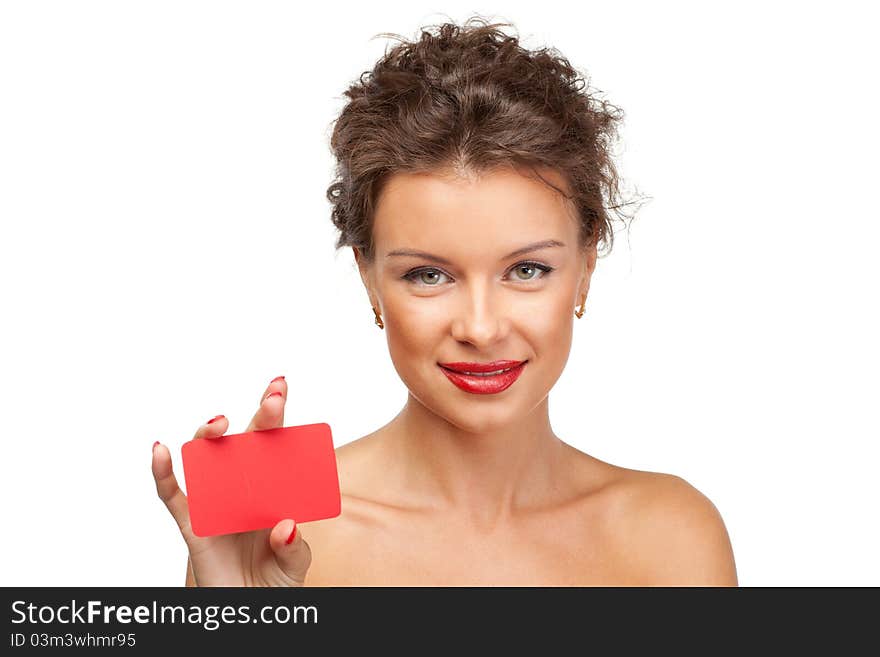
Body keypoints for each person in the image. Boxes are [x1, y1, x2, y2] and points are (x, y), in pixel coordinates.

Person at [151, 16, 737, 586]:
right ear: (368, 279)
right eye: (429, 276)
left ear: (584, 269)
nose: (480, 329)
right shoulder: (279, 531)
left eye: (527, 269)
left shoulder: (673, 536)